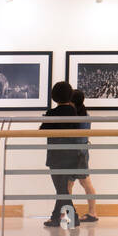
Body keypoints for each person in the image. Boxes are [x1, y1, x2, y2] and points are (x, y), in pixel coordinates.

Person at [39, 80, 87, 228]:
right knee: (62, 188)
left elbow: (42, 130)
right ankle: (56, 217)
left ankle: (72, 218)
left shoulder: (52, 113)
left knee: (61, 189)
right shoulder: (73, 112)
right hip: (71, 155)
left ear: (54, 96)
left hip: (56, 156)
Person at [70, 88, 99, 223]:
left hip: (76, 154)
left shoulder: (75, 116)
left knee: (69, 185)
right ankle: (92, 212)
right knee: (85, 183)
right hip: (82, 152)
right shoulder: (85, 114)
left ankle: (70, 215)